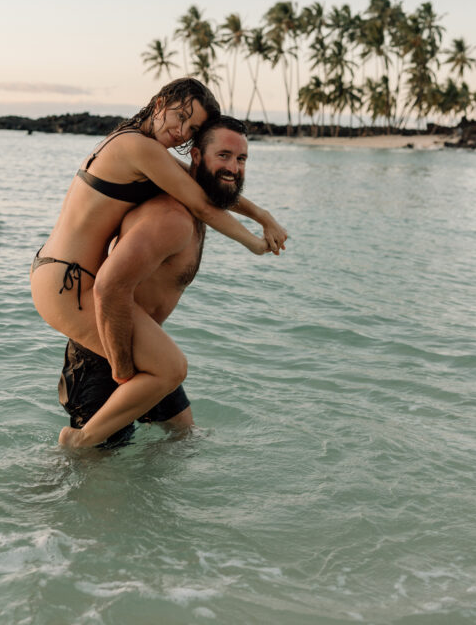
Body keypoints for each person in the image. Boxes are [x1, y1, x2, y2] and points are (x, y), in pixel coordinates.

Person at [30, 78, 287, 449]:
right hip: (68, 282)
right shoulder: (136, 146)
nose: (181, 131)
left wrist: (263, 215)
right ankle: (77, 444)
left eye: (193, 128)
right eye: (180, 116)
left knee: (181, 437)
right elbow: (200, 203)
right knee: (169, 368)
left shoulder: (142, 144)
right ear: (161, 101)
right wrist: (253, 243)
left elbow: (203, 186)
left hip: (66, 275)